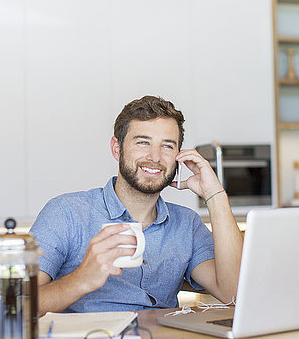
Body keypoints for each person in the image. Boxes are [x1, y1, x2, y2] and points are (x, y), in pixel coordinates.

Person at [30, 96, 243, 315]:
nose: (155, 157)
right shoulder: (66, 213)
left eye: (167, 146)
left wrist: (215, 195)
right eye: (143, 142)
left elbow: (234, 295)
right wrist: (81, 280)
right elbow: (16, 305)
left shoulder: (186, 224)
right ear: (117, 149)